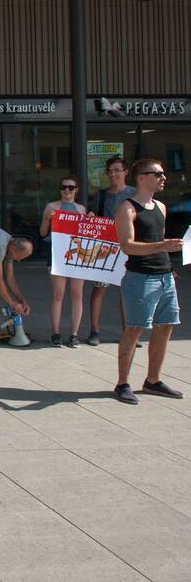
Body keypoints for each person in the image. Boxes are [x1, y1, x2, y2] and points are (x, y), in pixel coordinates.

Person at [112, 159, 184, 404]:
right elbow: (127, 246)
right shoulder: (127, 208)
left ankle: (153, 380)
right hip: (140, 278)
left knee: (166, 326)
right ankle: (122, 384)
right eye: (158, 174)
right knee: (134, 329)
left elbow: (157, 240)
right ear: (141, 177)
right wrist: (163, 246)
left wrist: (168, 265)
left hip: (164, 276)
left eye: (163, 174)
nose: (164, 177)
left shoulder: (161, 207)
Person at [86, 157, 136, 346]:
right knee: (99, 289)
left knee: (126, 291)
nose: (113, 174)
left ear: (125, 172)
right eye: (110, 171)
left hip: (128, 247)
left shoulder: (134, 194)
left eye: (116, 170)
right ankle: (94, 331)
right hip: (105, 248)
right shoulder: (101, 195)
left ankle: (128, 332)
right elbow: (94, 216)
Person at [40, 176, 87, 347]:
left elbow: (86, 233)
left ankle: (74, 334)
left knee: (77, 294)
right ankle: (56, 332)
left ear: (76, 189)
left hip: (77, 254)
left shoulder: (81, 209)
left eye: (70, 187)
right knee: (58, 294)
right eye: (64, 187)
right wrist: (47, 218)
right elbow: (43, 233)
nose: (67, 190)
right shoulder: (52, 207)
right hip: (58, 254)